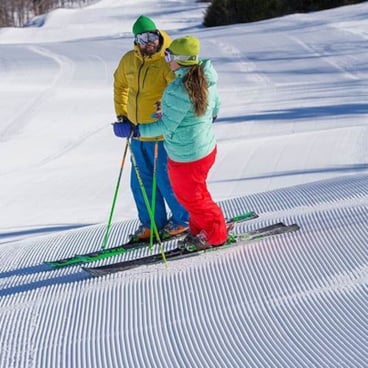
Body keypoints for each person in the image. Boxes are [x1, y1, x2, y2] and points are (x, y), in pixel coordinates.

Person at [115, 35, 227, 250]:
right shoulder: (206, 79)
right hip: (202, 149)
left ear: (181, 59)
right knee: (192, 194)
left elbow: (166, 128)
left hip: (188, 154)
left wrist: (135, 130)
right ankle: (199, 229)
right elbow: (213, 109)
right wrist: (183, 118)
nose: (166, 59)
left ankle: (215, 234)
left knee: (192, 197)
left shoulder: (178, 89)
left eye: (169, 55)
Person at [112, 15, 188, 241]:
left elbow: (180, 90)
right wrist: (122, 116)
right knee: (140, 183)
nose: (149, 42)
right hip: (136, 135)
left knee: (167, 179)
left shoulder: (167, 60)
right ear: (136, 40)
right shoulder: (129, 60)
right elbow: (120, 85)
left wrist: (166, 109)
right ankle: (151, 225)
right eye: (143, 37)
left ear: (158, 34)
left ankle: (183, 220)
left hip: (161, 134)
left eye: (152, 36)